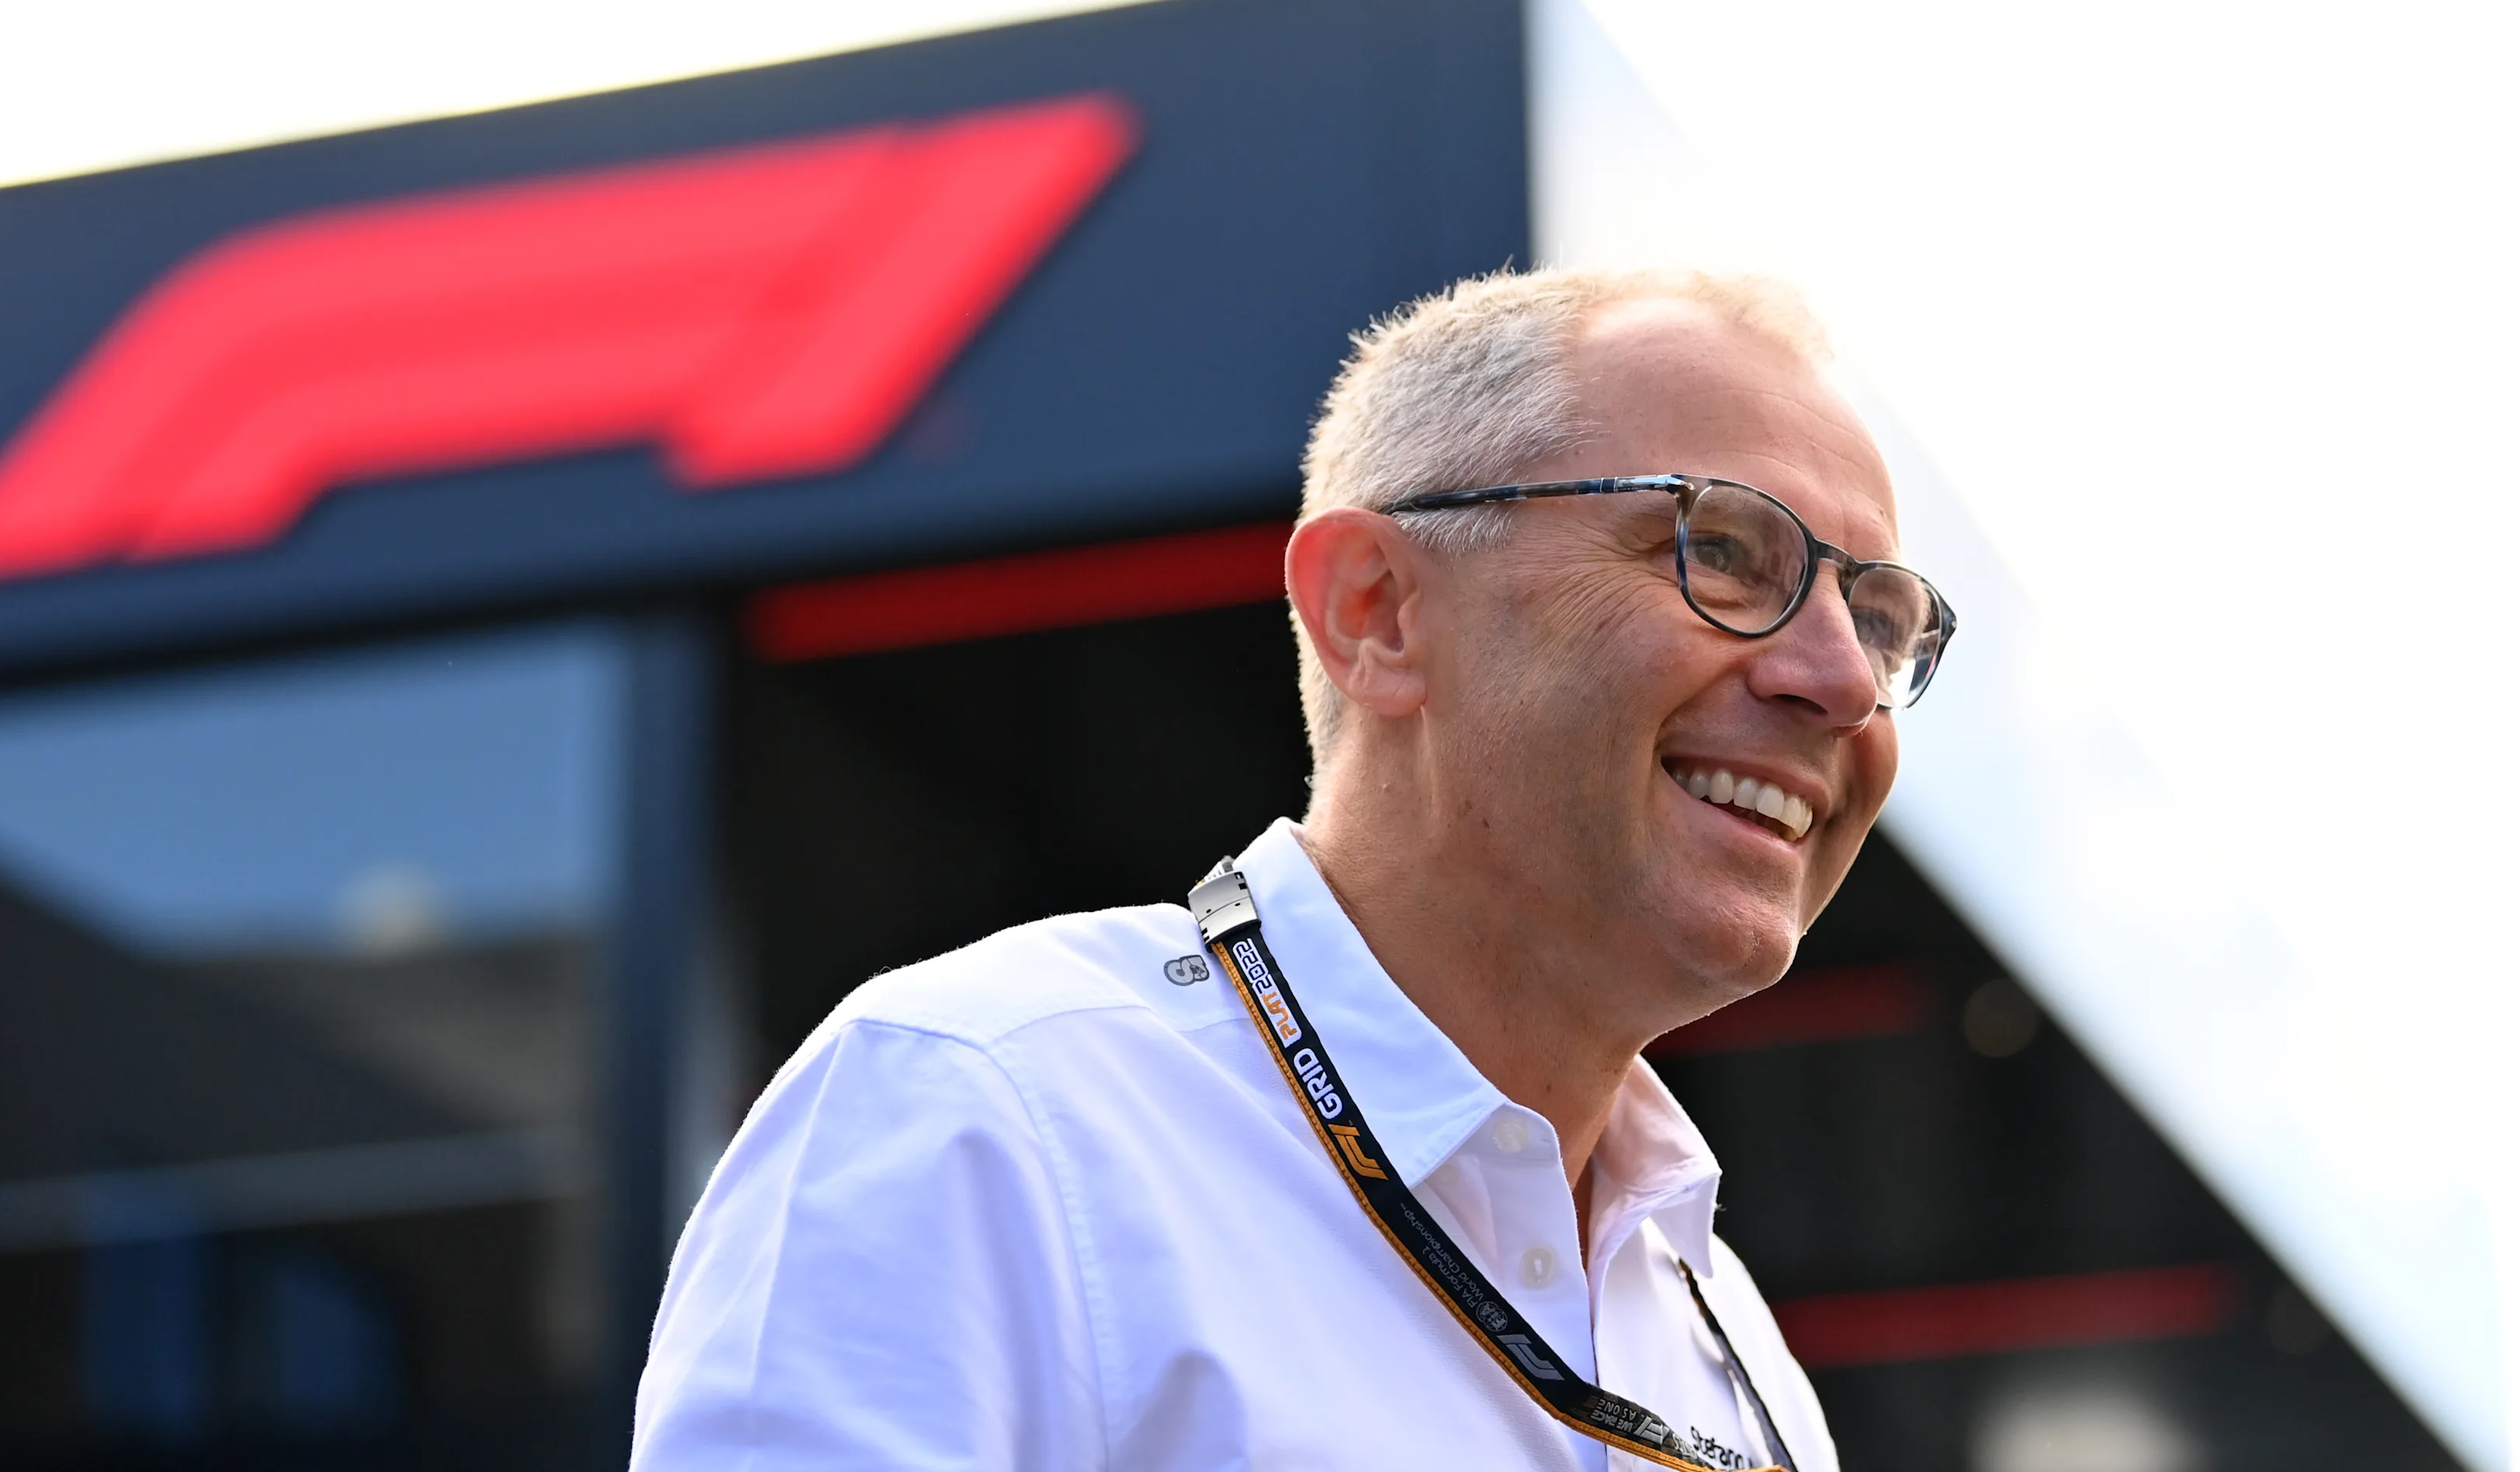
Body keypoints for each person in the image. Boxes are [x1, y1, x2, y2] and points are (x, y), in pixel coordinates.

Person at [630, 267, 1954, 1471]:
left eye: (1879, 619)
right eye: (1722, 550)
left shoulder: (1727, 1345)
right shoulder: (988, 1112)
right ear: (1377, 612)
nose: (1840, 681)